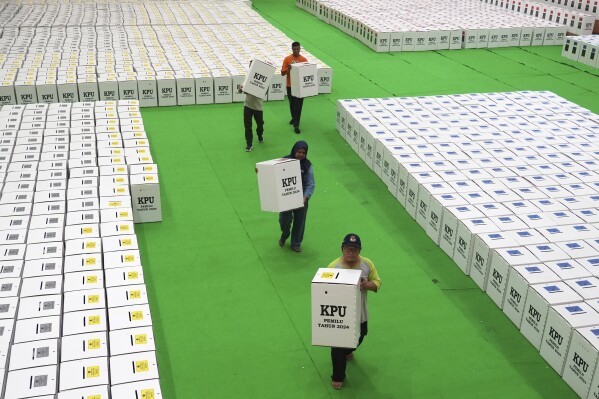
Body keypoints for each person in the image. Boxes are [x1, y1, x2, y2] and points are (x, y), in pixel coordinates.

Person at [327, 233, 381, 390]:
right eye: (348, 248)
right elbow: (323, 287)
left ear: (359, 250)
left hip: (360, 312)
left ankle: (348, 349)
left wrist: (367, 285)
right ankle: (338, 377)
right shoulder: (333, 266)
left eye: (355, 249)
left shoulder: (367, 264)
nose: (351, 252)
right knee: (337, 346)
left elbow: (377, 282)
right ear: (342, 249)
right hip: (339, 313)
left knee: (360, 336)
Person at [279, 140, 314, 252]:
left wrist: (305, 198)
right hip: (286, 197)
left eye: (303, 153)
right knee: (284, 220)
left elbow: (311, 184)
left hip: (301, 198)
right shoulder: (284, 161)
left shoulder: (307, 165)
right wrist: (260, 171)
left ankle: (296, 243)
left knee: (300, 222)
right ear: (294, 150)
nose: (301, 155)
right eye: (299, 151)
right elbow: (273, 174)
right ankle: (285, 234)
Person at [281, 41, 307, 134]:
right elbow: (282, 73)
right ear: (292, 49)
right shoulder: (287, 59)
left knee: (298, 106)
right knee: (292, 105)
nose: (296, 51)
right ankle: (294, 118)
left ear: (300, 49)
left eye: (298, 49)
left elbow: (306, 73)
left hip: (300, 87)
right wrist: (288, 69)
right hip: (290, 86)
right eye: (295, 49)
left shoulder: (304, 60)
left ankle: (296, 125)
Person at [239, 78, 264, 152]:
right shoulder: (247, 78)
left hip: (258, 107)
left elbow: (264, 92)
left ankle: (259, 135)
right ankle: (249, 144)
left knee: (260, 125)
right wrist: (241, 89)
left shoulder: (263, 79)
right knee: (247, 126)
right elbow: (240, 91)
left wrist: (253, 89)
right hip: (247, 106)